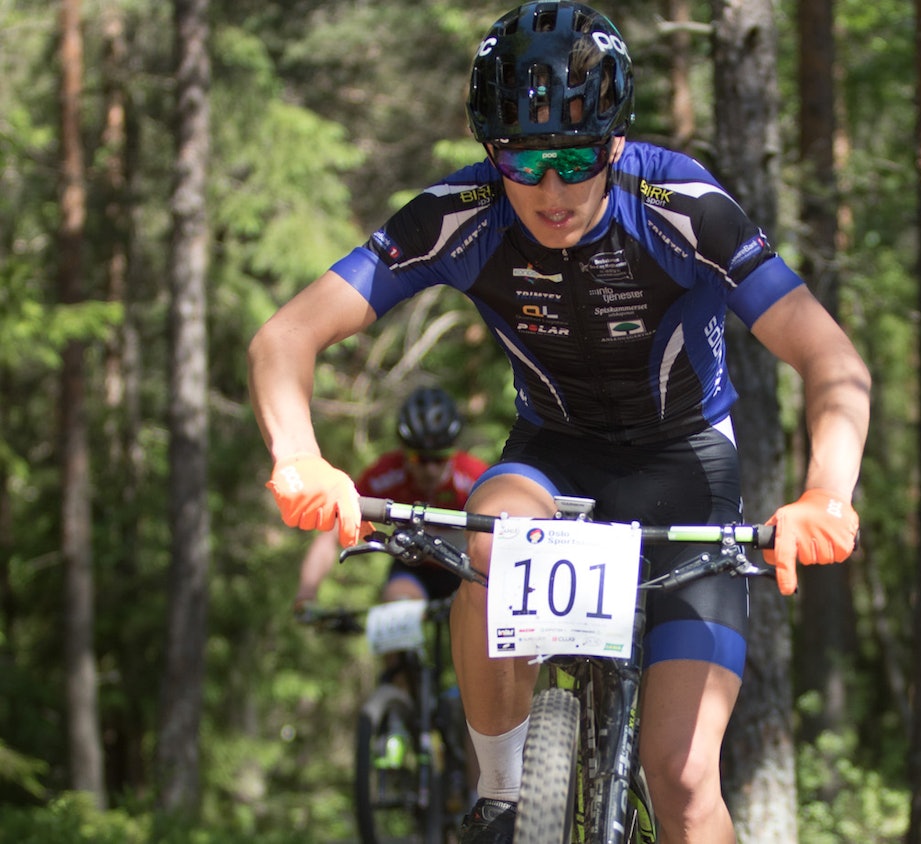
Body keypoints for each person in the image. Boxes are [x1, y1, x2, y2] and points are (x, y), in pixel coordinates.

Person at [248, 3, 871, 842]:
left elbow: (833, 363)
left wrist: (827, 493)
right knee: (490, 536)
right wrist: (302, 458)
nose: (550, 189)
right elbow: (285, 337)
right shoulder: (462, 212)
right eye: (520, 159)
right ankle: (502, 801)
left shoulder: (680, 203)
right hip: (555, 456)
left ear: (615, 143)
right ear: (487, 151)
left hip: (687, 466)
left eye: (576, 157)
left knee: (685, 783)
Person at [292, 386, 489, 610]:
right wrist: (307, 592)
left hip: (466, 568)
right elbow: (332, 531)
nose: (431, 470)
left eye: (440, 459)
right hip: (414, 570)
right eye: (419, 459)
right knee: (397, 612)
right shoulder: (385, 475)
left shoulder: (474, 476)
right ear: (404, 452)